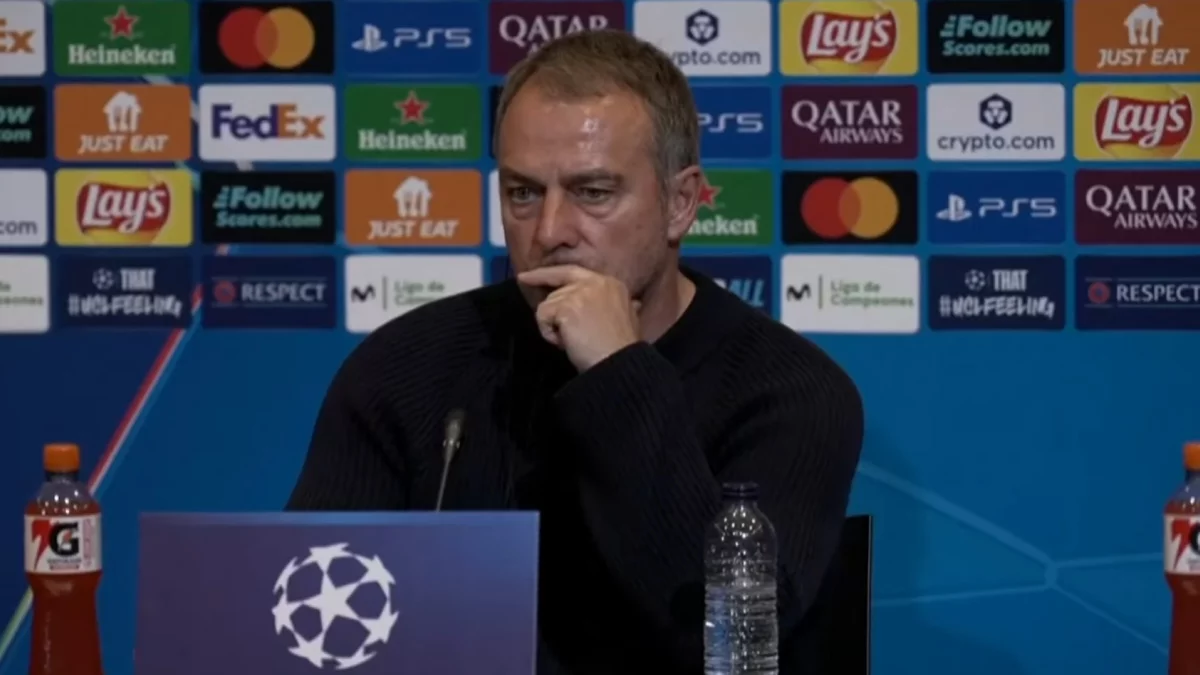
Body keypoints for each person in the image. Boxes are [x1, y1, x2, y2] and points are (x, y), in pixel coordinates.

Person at [286, 29, 864, 675]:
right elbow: (304, 614)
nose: (550, 231)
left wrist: (619, 373)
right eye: (523, 193)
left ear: (681, 203)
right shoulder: (408, 367)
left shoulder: (789, 393)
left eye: (593, 193)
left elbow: (729, 641)